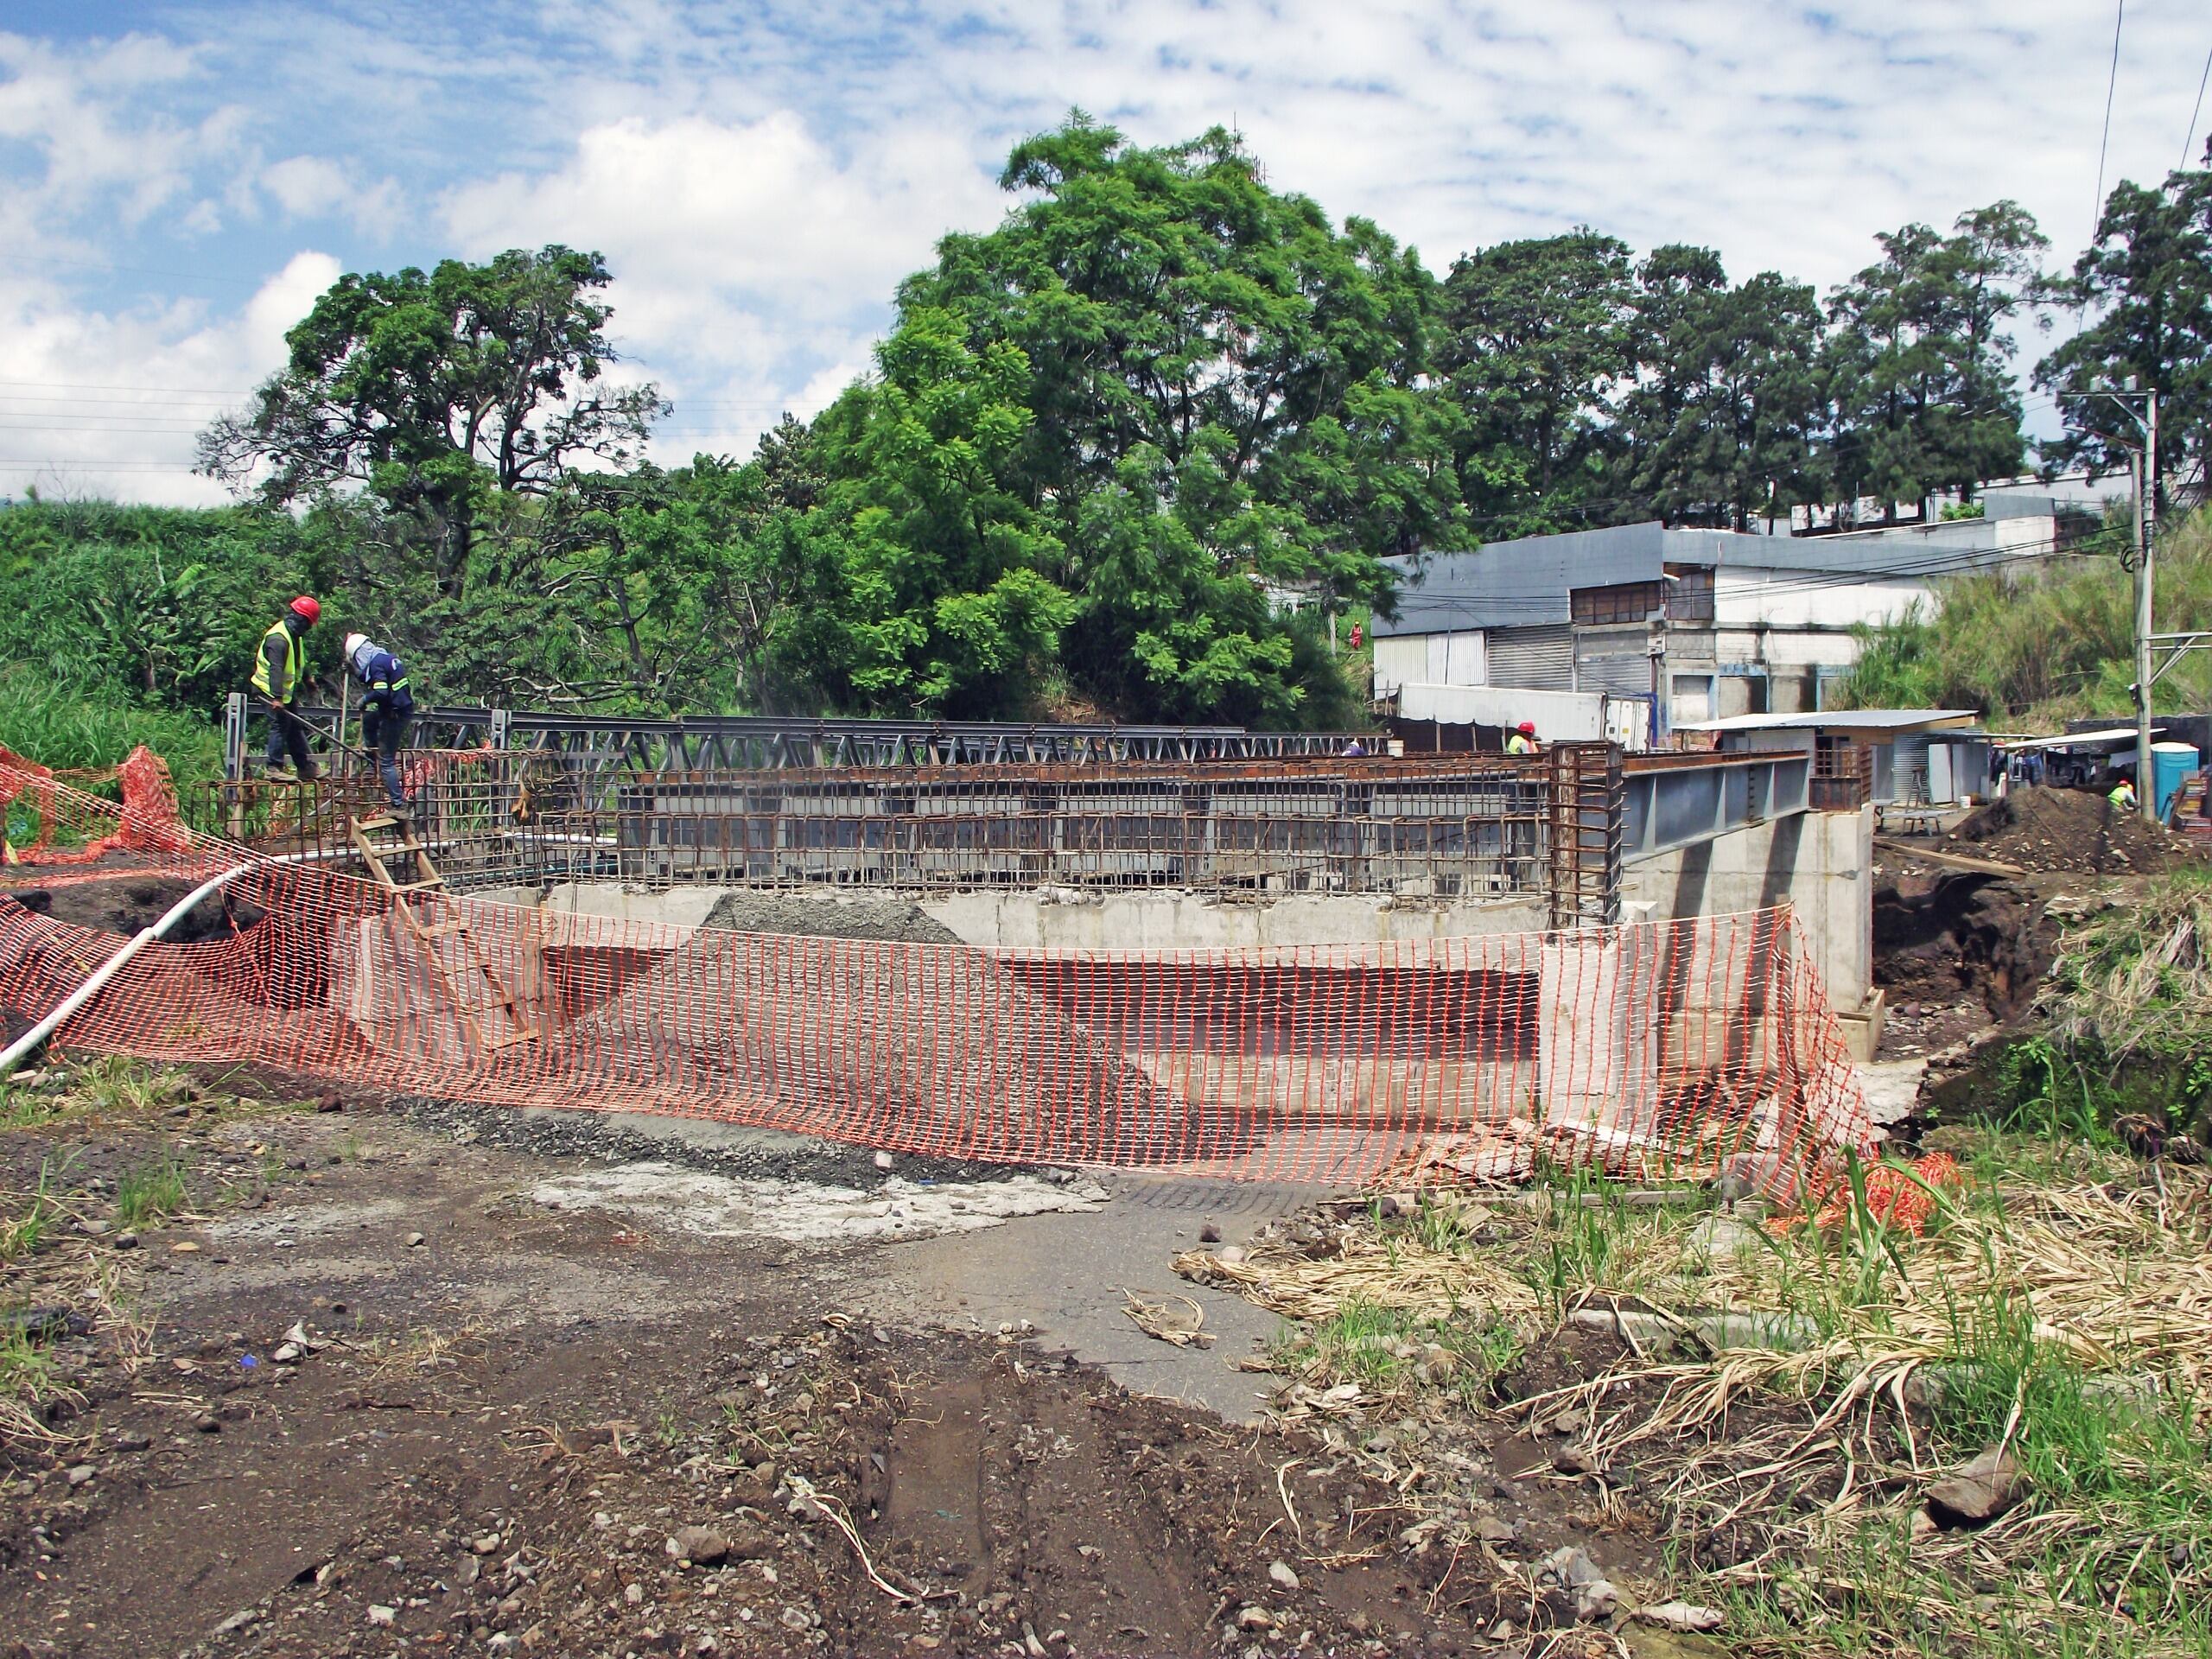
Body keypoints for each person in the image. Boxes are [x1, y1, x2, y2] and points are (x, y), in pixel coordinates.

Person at [251, 595, 321, 780]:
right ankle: (273, 768)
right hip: (267, 689)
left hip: (283, 694)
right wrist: (276, 698)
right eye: (308, 624)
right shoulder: (279, 640)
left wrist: (307, 679)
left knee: (295, 726)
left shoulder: (294, 636)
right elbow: (276, 669)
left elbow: (298, 661)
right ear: (301, 620)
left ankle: (304, 767)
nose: (308, 629)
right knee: (280, 724)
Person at [344, 631, 416, 810]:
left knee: (387, 761)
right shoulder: (385, 657)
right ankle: (371, 763)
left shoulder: (376, 664)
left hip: (395, 715)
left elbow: (381, 691)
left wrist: (365, 700)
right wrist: (354, 672)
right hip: (399, 710)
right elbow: (376, 679)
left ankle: (398, 805)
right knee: (369, 721)